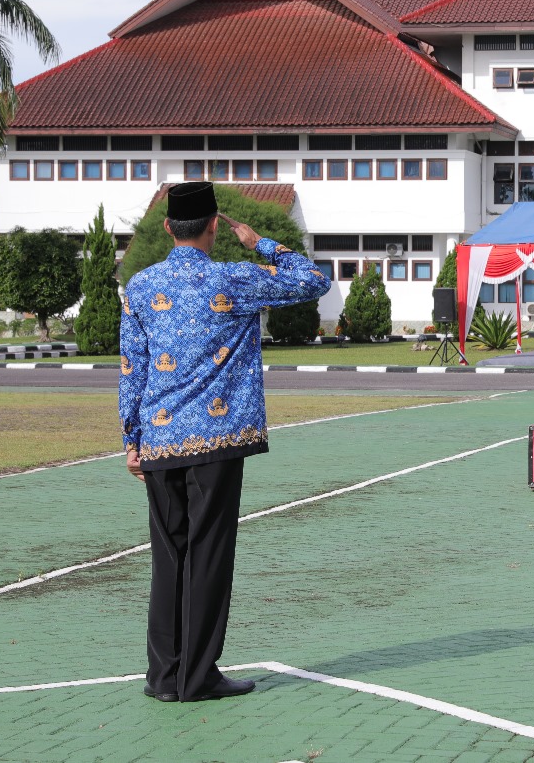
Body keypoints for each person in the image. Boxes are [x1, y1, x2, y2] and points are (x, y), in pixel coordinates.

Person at [119, 181, 331, 703]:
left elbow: (133, 369)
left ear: (168, 227)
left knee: (169, 558)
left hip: (160, 440)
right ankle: (198, 677)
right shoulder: (234, 279)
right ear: (214, 226)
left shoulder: (140, 286)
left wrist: (131, 438)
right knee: (209, 556)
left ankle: (163, 677)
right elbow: (312, 280)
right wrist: (260, 241)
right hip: (216, 440)